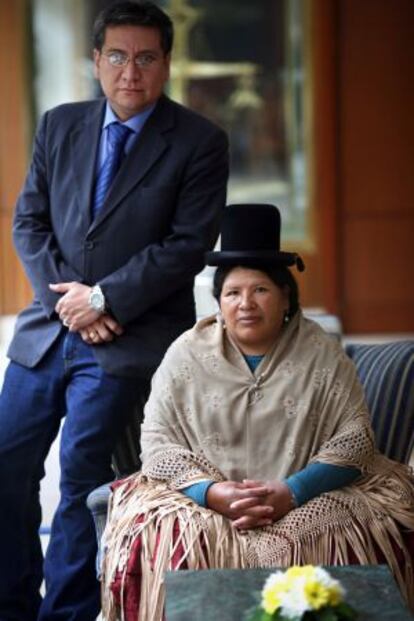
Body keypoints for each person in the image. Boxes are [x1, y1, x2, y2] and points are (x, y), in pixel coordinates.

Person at [0, 1, 229, 619]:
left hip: (128, 338)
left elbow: (186, 246)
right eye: (119, 56)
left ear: (167, 64)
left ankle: (67, 613)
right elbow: (29, 223)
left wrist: (103, 301)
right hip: (47, 332)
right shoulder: (59, 125)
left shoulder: (200, 142)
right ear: (97, 60)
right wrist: (75, 302)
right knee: (5, 463)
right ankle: (12, 605)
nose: (132, 72)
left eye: (147, 58)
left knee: (80, 475)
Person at [101, 204, 414, 621]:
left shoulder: (321, 352)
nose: (246, 303)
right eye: (233, 293)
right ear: (218, 303)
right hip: (204, 503)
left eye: (261, 290)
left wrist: (292, 491)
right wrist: (211, 493)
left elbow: (354, 441)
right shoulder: (186, 353)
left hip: (307, 498)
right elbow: (158, 444)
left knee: (363, 529)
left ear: (286, 296)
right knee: (166, 533)